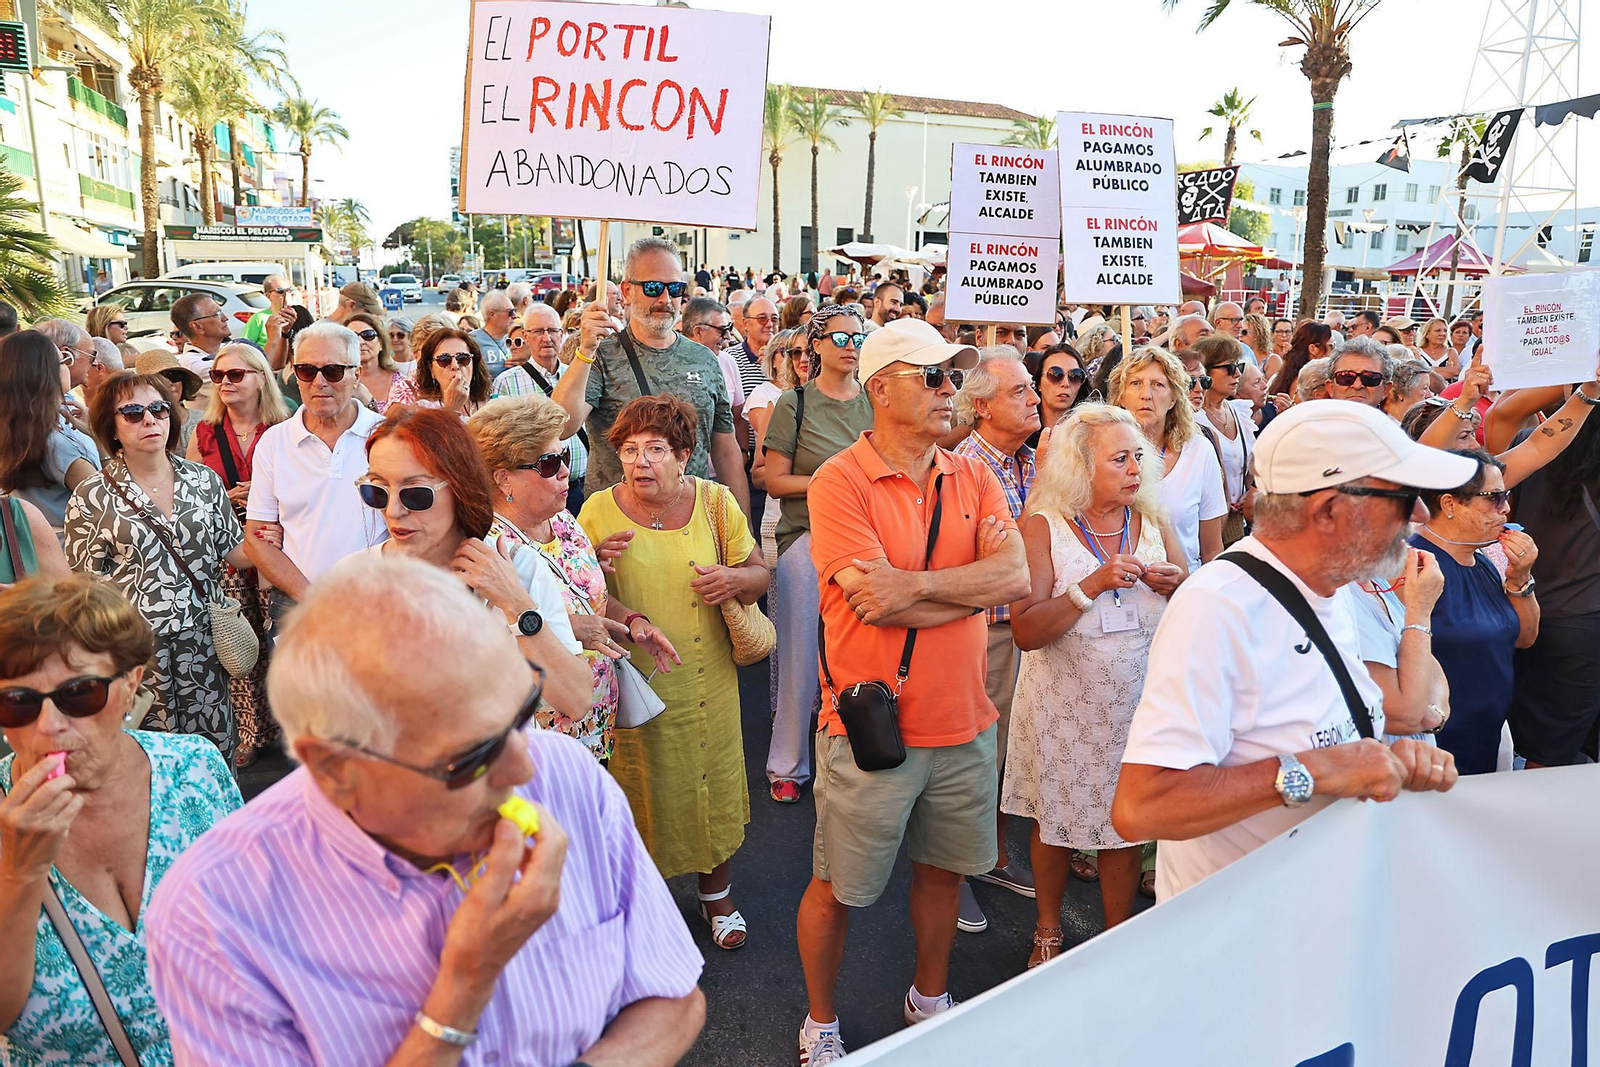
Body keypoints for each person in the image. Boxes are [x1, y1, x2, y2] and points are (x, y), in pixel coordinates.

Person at [143, 554, 706, 1064]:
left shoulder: (569, 776)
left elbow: (674, 998)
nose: (525, 769)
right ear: (337, 770)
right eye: (472, 756)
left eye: (522, 709)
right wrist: (463, 987)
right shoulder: (216, 916)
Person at [1113, 400, 1471, 899]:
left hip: (1317, 915)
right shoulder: (1218, 607)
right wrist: (1316, 771)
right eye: (1402, 496)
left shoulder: (1335, 587)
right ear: (1327, 509)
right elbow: (1141, 807)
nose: (1421, 514)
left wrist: (1389, 757)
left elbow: (1335, 734)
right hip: (1244, 938)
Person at [796, 318, 1029, 1062]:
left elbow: (1018, 579)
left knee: (945, 872)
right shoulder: (839, 480)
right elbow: (871, 599)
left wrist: (918, 587)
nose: (949, 390)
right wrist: (966, 591)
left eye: (951, 376)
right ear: (879, 388)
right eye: (931, 376)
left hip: (964, 721)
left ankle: (929, 999)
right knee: (837, 886)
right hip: (874, 726)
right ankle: (821, 1020)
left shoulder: (974, 471)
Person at [0, 574, 241, 1064]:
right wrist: (20, 871)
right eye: (16, 703)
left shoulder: (195, 768)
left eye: (80, 693)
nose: (49, 726)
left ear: (131, 684)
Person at [578, 395, 766, 951]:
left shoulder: (715, 502)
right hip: (632, 682)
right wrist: (597, 571)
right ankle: (643, 899)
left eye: (656, 449)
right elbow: (581, 601)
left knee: (712, 784)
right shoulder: (594, 513)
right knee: (640, 789)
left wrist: (734, 583)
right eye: (630, 450)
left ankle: (717, 895)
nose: (641, 462)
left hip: (708, 680)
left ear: (684, 455)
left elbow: (757, 574)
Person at [1007, 405, 1186, 958]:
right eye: (1120, 459)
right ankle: (1047, 928)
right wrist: (1090, 585)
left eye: (1139, 456)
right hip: (1063, 705)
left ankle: (1114, 943)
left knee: (1125, 824)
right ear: (1080, 468)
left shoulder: (1154, 519)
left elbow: (1194, 601)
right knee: (1054, 821)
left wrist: (1177, 584)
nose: (1135, 468)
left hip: (1138, 702)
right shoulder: (1041, 526)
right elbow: (1026, 630)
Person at [467, 395, 679, 763]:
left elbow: (588, 597)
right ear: (503, 477)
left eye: (564, 457)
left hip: (595, 723)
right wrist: (569, 626)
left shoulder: (563, 521)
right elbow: (474, 643)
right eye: (549, 464)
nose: (566, 471)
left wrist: (631, 621)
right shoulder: (489, 548)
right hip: (538, 741)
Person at [357, 405, 592, 721]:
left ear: (460, 487)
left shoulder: (518, 567)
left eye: (416, 494)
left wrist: (516, 605)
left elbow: (576, 700)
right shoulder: (353, 578)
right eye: (376, 491)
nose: (393, 511)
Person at [65, 372, 249, 762]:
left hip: (205, 646)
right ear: (111, 428)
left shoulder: (203, 480)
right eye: (132, 412)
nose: (149, 420)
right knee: (152, 761)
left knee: (211, 755)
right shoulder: (92, 495)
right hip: (138, 655)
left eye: (158, 409)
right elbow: (84, 591)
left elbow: (237, 552)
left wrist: (283, 527)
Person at [950, 350, 1048, 929]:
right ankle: (952, 874)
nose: (1035, 398)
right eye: (1021, 392)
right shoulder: (963, 467)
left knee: (1012, 753)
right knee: (975, 756)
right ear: (981, 406)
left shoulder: (1034, 461)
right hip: (986, 632)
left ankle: (991, 857)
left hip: (1033, 626)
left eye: (1032, 388)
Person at [551, 237, 750, 519]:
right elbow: (562, 425)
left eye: (675, 288)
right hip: (617, 529)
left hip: (693, 524)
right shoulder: (601, 355)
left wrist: (743, 529)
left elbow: (725, 451)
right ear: (627, 291)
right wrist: (585, 350)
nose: (665, 300)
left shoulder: (705, 359)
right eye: (653, 287)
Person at [761, 310, 873, 806]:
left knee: (865, 656)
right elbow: (773, 479)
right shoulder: (795, 403)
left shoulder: (876, 400)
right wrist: (835, 484)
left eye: (859, 336)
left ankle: (862, 755)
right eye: (842, 337)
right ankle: (787, 763)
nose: (852, 345)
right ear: (817, 345)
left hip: (870, 540)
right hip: (805, 537)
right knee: (800, 653)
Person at [185, 342, 291, 767]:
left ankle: (289, 724)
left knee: (280, 639)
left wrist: (267, 498)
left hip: (275, 547)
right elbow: (191, 493)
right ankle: (250, 729)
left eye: (235, 374)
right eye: (218, 376)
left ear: (260, 377)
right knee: (239, 644)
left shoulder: (284, 427)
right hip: (227, 554)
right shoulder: (205, 432)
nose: (225, 383)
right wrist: (224, 497)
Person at [245, 321, 387, 626]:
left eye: (333, 371)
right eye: (307, 370)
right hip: (297, 604)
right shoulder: (274, 442)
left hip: (377, 601)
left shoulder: (387, 436)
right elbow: (256, 539)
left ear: (356, 374)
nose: (319, 382)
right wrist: (313, 600)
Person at [1409, 450, 1539, 774]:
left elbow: (1524, 638)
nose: (1506, 508)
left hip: (1485, 737)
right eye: (1494, 498)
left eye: (1506, 495)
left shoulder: (1481, 560)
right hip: (1436, 744)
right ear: (1450, 504)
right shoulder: (1416, 566)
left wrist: (1519, 578)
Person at [1111, 347, 1226, 573]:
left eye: (1158, 385)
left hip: (1183, 592)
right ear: (1121, 397)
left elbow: (1212, 550)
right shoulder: (1100, 452)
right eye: (1135, 383)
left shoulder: (1199, 452)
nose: (1146, 395)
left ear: (1174, 399)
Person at [493, 303, 591, 514]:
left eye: (552, 330)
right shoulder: (507, 382)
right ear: (526, 336)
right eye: (538, 331)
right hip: (539, 493)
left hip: (583, 488)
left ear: (562, 334)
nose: (546, 338)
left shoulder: (580, 376)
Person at [0, 331, 100, 530]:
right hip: (76, 554)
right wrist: (100, 439)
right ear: (46, 372)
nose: (68, 366)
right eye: (64, 359)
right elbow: (110, 502)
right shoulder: (56, 444)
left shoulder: (18, 430)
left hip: (36, 552)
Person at [1192, 336, 1255, 546]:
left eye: (1239, 366)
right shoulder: (1192, 419)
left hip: (1239, 525)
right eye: (1229, 368)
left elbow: (1249, 465)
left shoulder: (1238, 411)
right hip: (1207, 528)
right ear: (1205, 371)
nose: (1237, 374)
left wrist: (1252, 489)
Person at [388, 327, 493, 417]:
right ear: (431, 369)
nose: (455, 366)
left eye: (463, 358)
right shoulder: (421, 412)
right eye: (444, 360)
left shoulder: (493, 405)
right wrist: (451, 409)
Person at [346, 310, 406, 413]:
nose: (360, 342)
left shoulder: (401, 383)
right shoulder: (338, 382)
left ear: (381, 343)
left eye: (368, 335)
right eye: (353, 337)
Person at [1029, 342, 1088, 438]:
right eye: (1055, 374)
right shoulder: (1021, 430)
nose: (1065, 383)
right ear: (1039, 383)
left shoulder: (1091, 432)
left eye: (1075, 376)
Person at [1266, 322, 1333, 400]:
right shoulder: (1306, 383)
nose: (1334, 351)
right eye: (1331, 346)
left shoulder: (1284, 375)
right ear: (1313, 349)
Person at [169, 292, 230, 376]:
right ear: (197, 327)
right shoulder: (195, 365)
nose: (225, 318)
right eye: (217, 314)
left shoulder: (224, 348)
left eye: (221, 312)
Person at [1326, 337, 1395, 408]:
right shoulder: (1315, 418)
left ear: (1386, 389)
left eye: (1369, 378)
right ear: (1330, 387)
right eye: (1347, 377)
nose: (1357, 385)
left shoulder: (1390, 419)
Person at [470, 290, 517, 378]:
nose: (514, 316)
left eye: (515, 311)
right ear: (492, 315)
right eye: (510, 312)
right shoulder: (472, 341)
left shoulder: (516, 338)